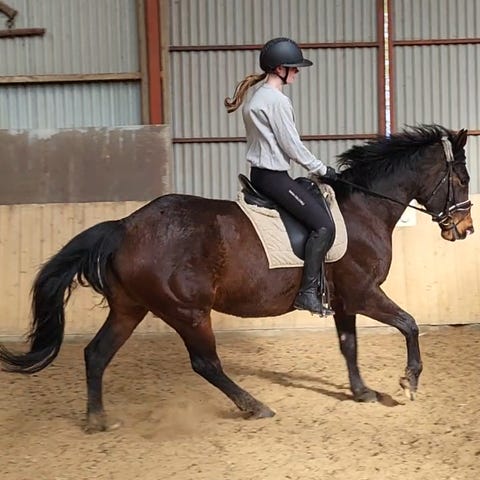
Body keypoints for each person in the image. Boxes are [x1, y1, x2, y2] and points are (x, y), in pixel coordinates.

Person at [224, 37, 337, 316]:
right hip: (274, 178)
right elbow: (292, 146)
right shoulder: (276, 101)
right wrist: (322, 169)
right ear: (279, 69)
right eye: (293, 67)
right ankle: (307, 293)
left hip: (261, 175)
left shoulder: (257, 98)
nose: (297, 71)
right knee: (324, 226)